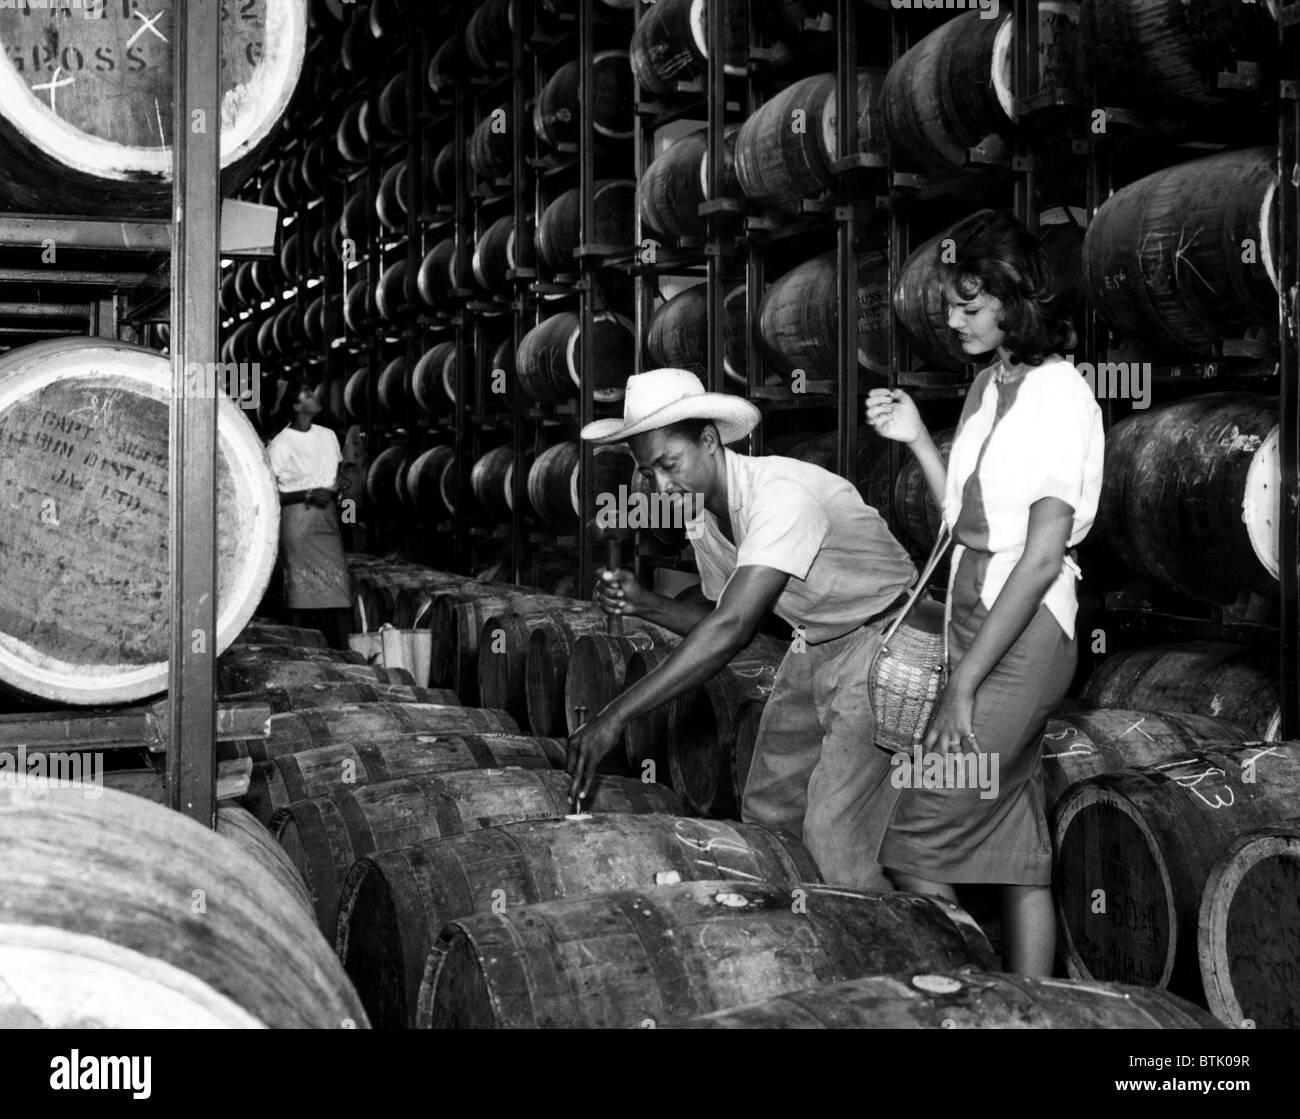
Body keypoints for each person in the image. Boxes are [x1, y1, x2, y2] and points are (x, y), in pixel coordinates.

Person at [566, 368, 917, 890]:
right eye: (648, 473)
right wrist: (646, 604)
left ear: (709, 441)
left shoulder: (779, 496)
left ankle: (894, 954)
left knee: (837, 847)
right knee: (770, 811)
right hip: (816, 644)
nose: (661, 485)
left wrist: (615, 715)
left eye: (668, 464)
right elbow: (725, 619)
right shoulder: (702, 517)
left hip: (887, 642)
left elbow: (732, 628)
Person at [866, 209, 1104, 975]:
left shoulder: (1062, 395)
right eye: (950, 307)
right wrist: (914, 441)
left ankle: (974, 992)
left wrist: (962, 684)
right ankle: (1035, 1003)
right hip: (973, 620)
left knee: (910, 832)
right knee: (1015, 840)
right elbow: (961, 521)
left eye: (972, 306)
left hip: (1024, 637)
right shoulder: (983, 386)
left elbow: (1038, 559)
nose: (955, 320)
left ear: (1015, 301)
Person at [265, 382, 353, 646]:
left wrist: (340, 483)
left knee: (339, 592)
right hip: (298, 521)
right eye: (308, 395)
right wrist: (307, 494)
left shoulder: (327, 435)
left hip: (327, 518)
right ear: (295, 406)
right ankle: (298, 649)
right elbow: (268, 494)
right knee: (299, 596)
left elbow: (335, 472)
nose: (315, 397)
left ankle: (344, 651)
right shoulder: (280, 445)